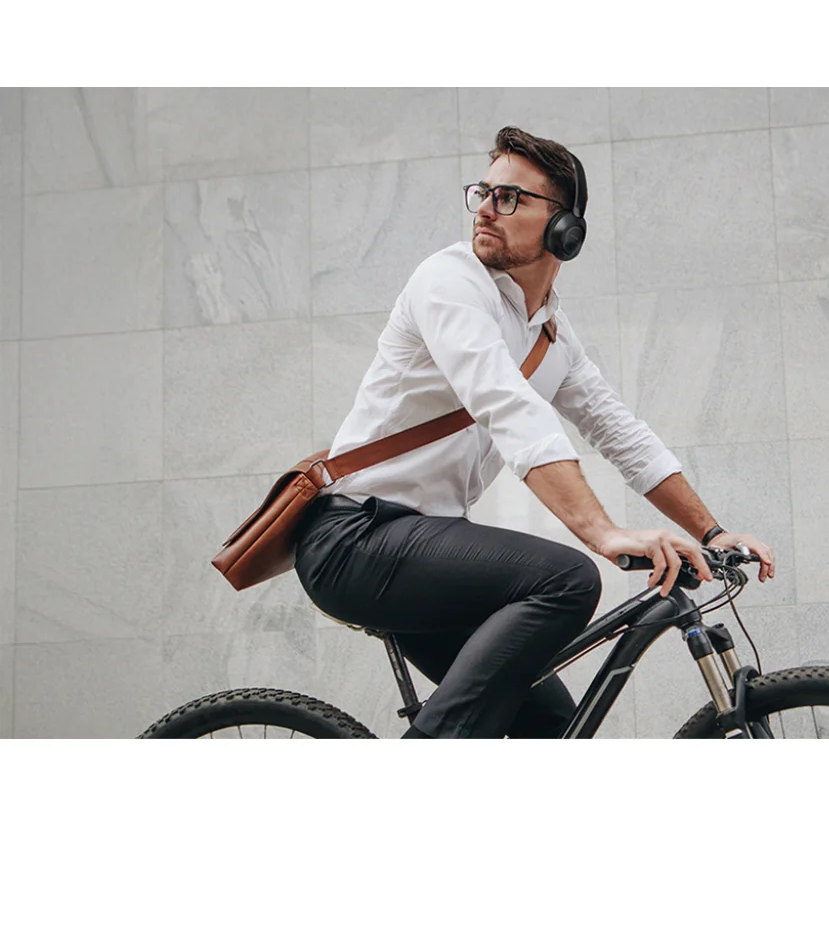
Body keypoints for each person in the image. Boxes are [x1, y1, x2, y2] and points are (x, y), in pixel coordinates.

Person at [294, 125, 775, 739]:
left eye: (510, 198)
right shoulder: (448, 282)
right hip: (357, 539)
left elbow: (621, 433)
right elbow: (506, 404)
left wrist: (711, 531)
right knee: (566, 579)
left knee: (549, 729)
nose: (485, 210)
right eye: (483, 193)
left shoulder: (552, 336)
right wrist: (603, 533)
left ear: (564, 229)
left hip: (423, 551)